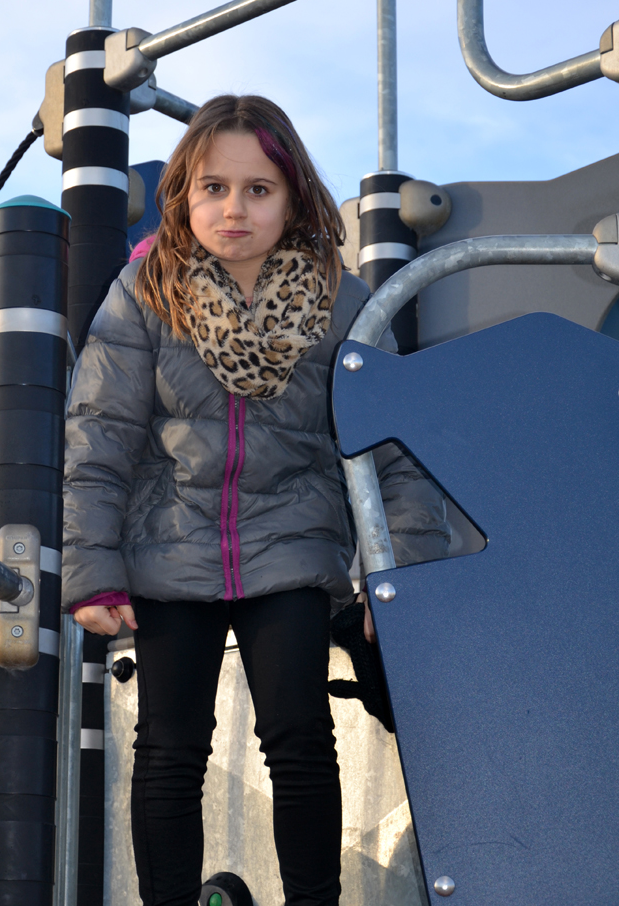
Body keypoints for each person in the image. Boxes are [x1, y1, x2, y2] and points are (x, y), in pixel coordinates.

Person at [61, 94, 449, 906]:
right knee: (169, 747)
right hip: (170, 549)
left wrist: (404, 572)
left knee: (300, 737)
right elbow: (100, 434)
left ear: (293, 198)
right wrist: (93, 568)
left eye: (258, 189)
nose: (233, 208)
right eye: (214, 188)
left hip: (293, 545)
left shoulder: (341, 302)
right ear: (184, 195)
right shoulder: (146, 294)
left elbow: (397, 444)